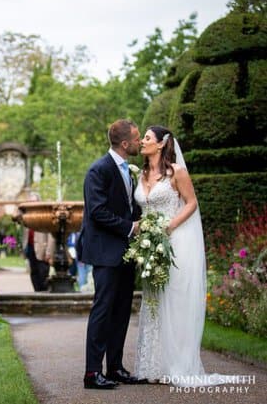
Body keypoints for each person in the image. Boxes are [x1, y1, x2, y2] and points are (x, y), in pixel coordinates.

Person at [133, 126, 227, 385]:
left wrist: (170, 225)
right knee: (153, 300)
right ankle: (152, 366)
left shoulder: (177, 172)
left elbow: (192, 202)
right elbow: (143, 211)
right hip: (150, 245)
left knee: (173, 301)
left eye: (147, 138)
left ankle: (176, 364)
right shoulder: (140, 174)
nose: (142, 141)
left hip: (175, 243)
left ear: (161, 144)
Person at [76, 119, 142, 390]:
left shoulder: (129, 171)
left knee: (122, 310)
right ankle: (92, 373)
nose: (140, 142)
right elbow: (97, 212)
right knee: (103, 311)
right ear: (125, 143)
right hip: (105, 252)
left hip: (125, 252)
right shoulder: (98, 170)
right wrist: (131, 227)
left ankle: (114, 367)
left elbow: (128, 206)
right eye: (137, 138)